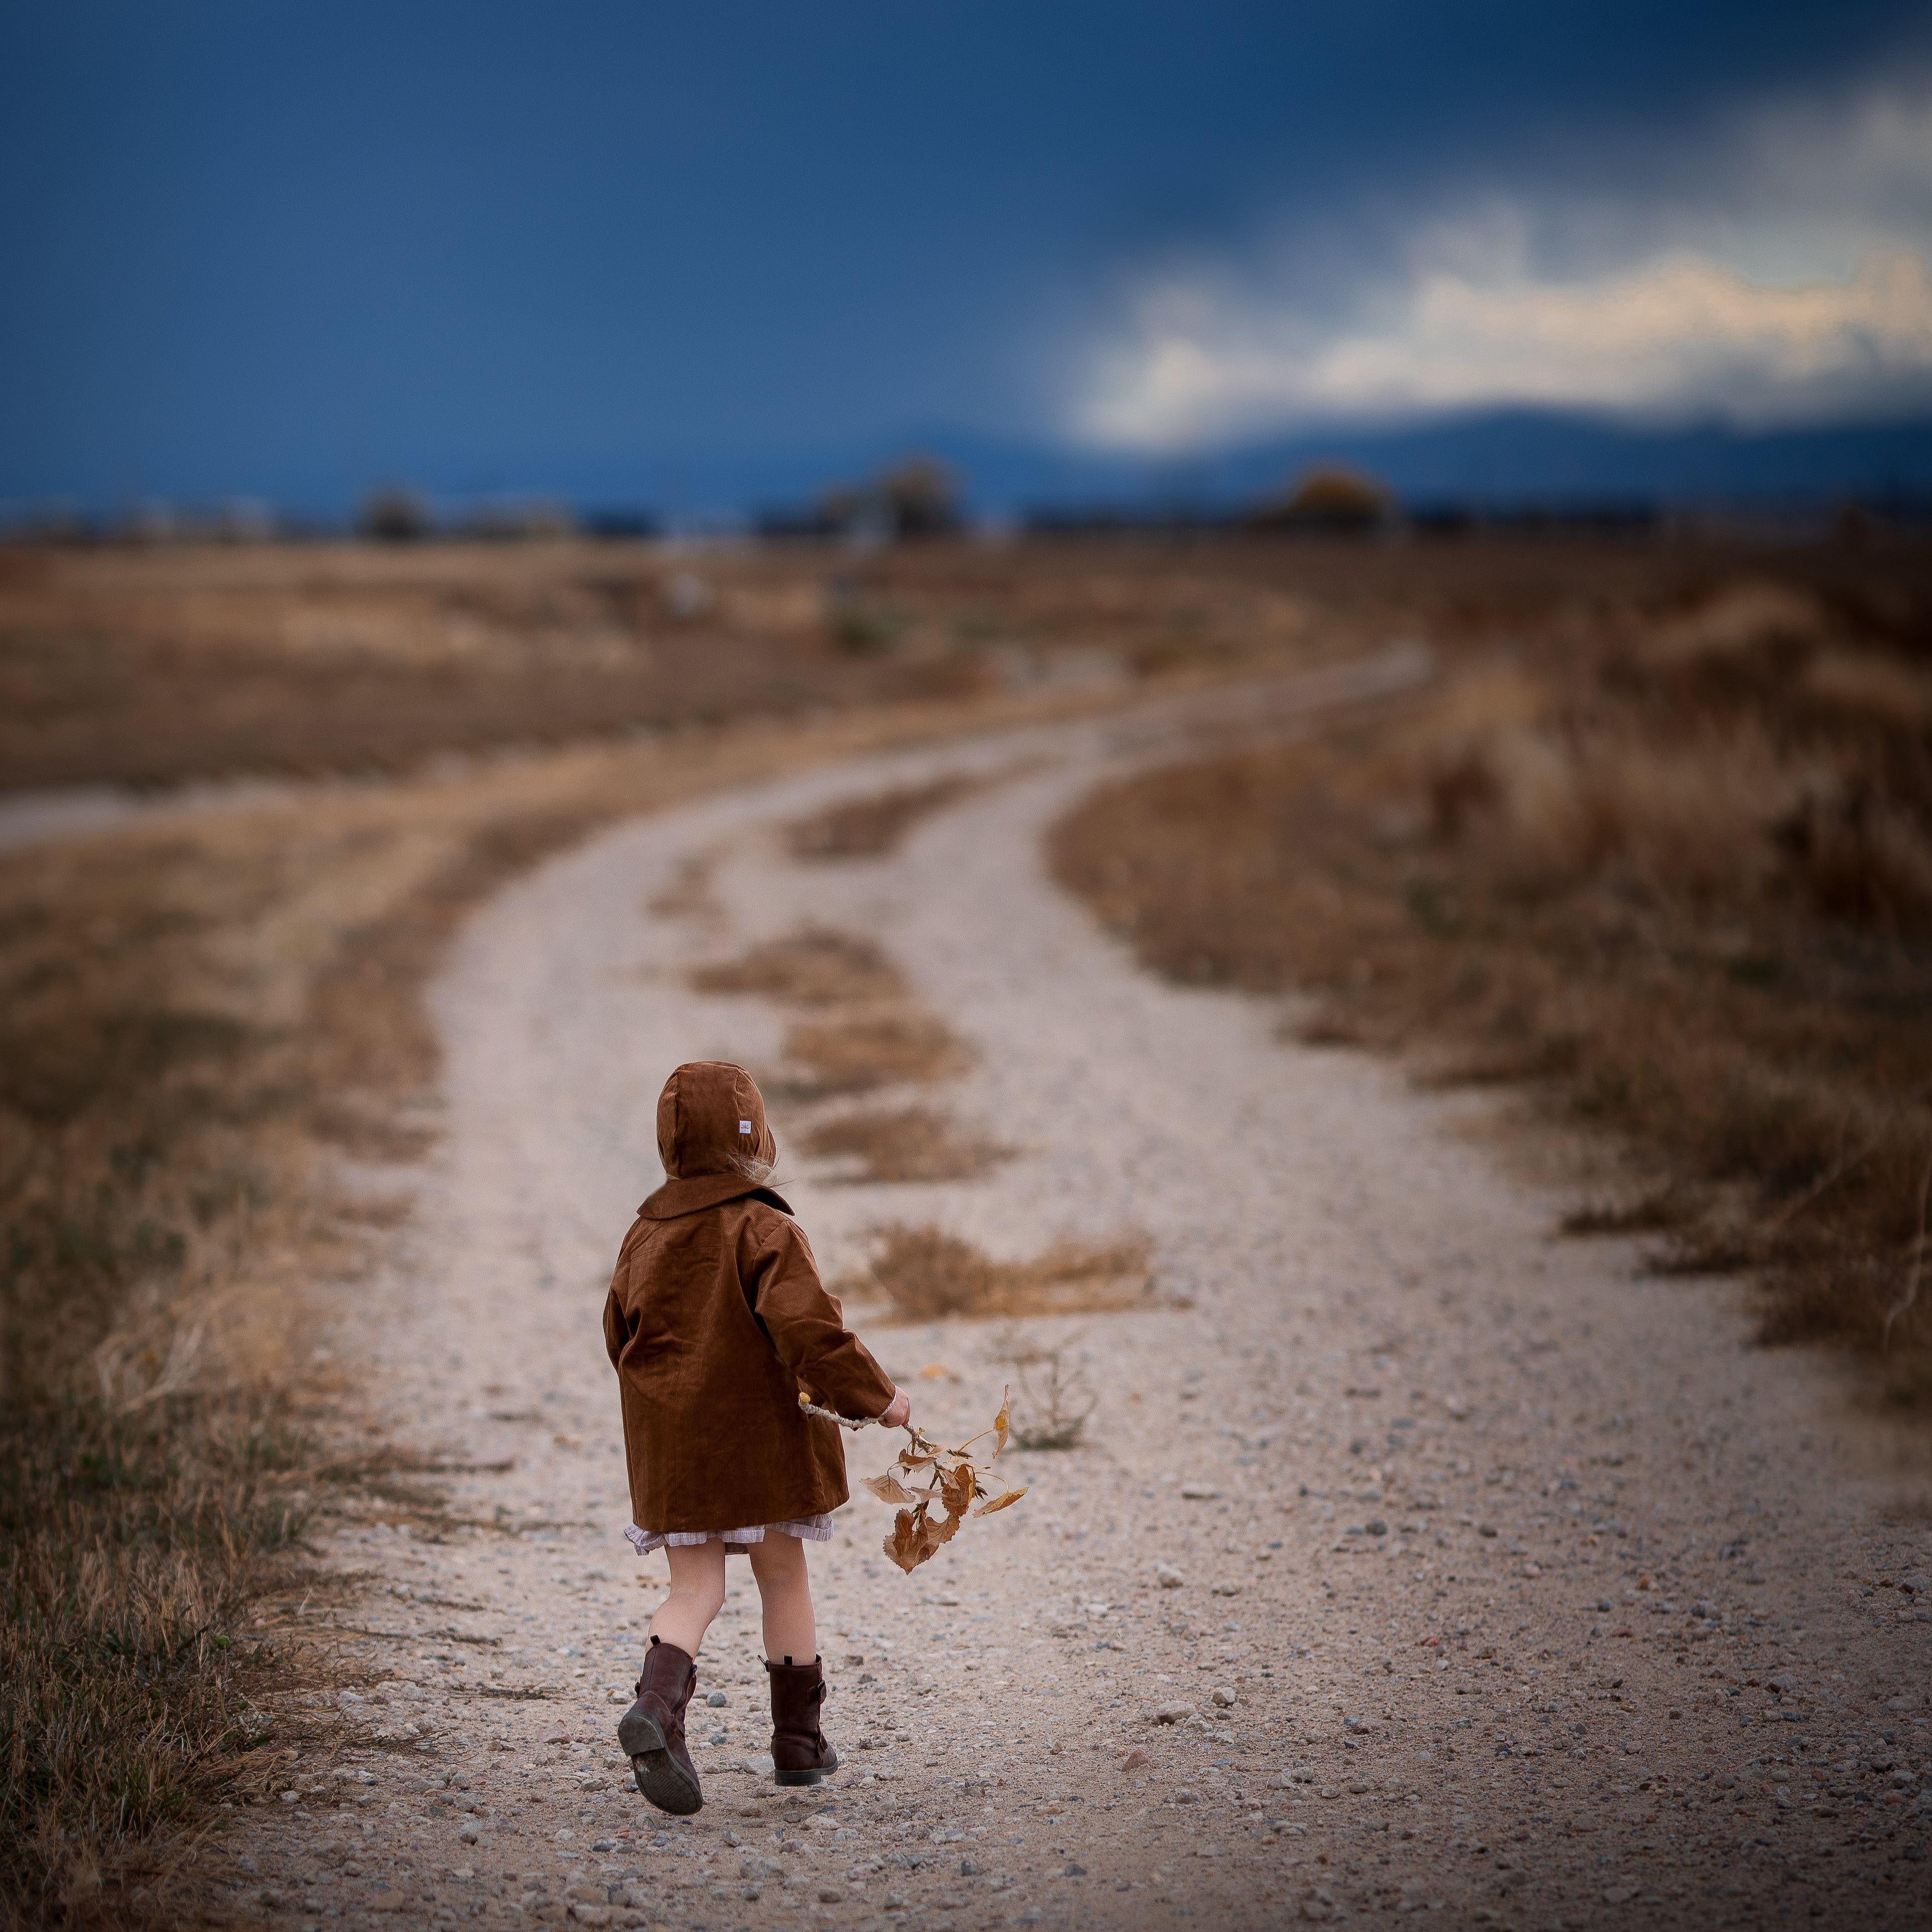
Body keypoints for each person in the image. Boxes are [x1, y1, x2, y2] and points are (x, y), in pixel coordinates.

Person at [603, 1060, 911, 1815]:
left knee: (693, 1588)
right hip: (762, 1448)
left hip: (676, 1454)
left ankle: (657, 1708)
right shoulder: (764, 1227)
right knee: (782, 1576)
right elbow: (811, 1332)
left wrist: (665, 1407)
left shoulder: (643, 1235)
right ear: (756, 1138)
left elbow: (618, 1336)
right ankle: (798, 1744)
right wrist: (880, 1399)